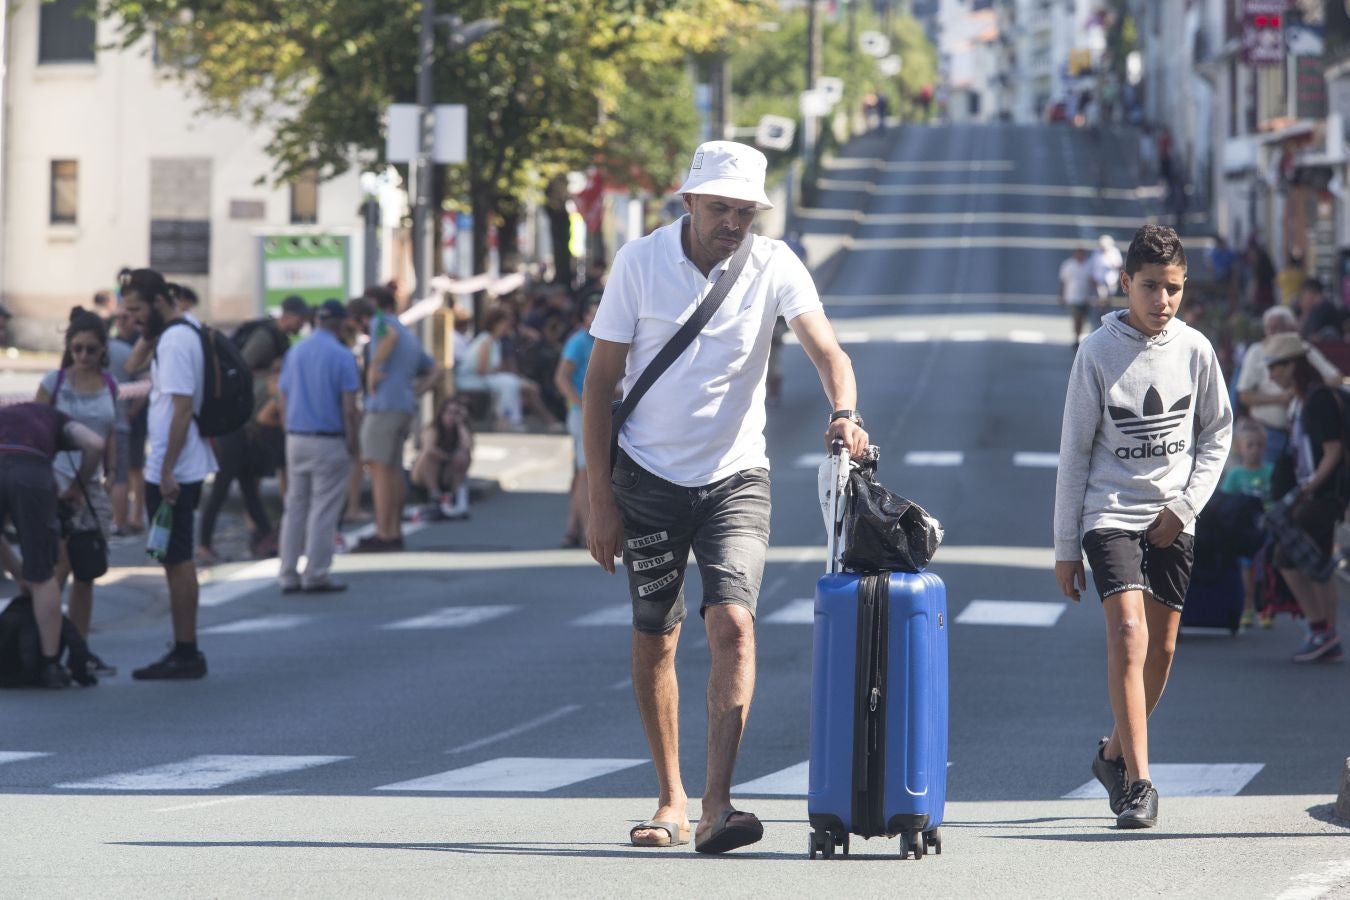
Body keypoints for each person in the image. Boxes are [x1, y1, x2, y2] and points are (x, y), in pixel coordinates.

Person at [582, 141, 869, 853]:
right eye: (720, 208)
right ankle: (670, 797)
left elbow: (829, 351)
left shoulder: (775, 265)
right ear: (688, 202)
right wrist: (599, 498)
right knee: (659, 633)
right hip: (645, 479)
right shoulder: (640, 264)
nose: (733, 223)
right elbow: (598, 385)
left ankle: (716, 804)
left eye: (745, 211)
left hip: (737, 476)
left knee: (734, 624)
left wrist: (844, 410)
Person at [1053, 224, 1233, 830]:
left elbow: (1216, 434)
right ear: (1126, 282)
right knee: (1128, 636)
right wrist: (1064, 547)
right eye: (1151, 287)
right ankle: (1139, 783)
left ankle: (1110, 754)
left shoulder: (1195, 350)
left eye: (1174, 289)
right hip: (1109, 515)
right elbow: (1075, 453)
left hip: (1173, 514)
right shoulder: (1096, 353)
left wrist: (1185, 508)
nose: (1162, 301)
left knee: (1163, 647)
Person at [120, 268, 218, 680]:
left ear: (160, 301)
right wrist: (150, 326)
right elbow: (131, 365)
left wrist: (165, 470)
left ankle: (186, 649)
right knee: (174, 558)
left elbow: (180, 408)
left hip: (174, 467)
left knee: (177, 560)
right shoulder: (180, 328)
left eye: (138, 310)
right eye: (127, 312)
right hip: (178, 463)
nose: (132, 320)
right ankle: (184, 646)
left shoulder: (177, 340)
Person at [35, 308, 118, 676]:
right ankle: (45, 644)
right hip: (56, 483)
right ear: (69, 348)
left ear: (103, 351)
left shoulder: (109, 385)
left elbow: (110, 431)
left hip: (91, 486)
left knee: (87, 569)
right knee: (59, 565)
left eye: (91, 349)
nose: (83, 356)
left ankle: (80, 647)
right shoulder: (54, 383)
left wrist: (110, 471)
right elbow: (33, 433)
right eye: (77, 348)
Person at [0, 403, 104, 688]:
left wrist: (17, 574)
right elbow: (95, 444)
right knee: (43, 575)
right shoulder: (58, 419)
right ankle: (49, 665)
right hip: (32, 474)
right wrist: (76, 486)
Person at [1263, 332, 1348, 663]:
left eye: (1276, 367)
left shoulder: (1317, 399)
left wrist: (1309, 488)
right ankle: (1326, 633)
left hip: (1323, 494)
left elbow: (1333, 451)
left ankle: (1321, 629)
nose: (1271, 375)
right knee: (1319, 562)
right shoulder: (1299, 401)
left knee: (1289, 557)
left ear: (1294, 365)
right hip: (1313, 492)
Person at [276, 300, 360, 593]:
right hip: (328, 437)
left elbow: (283, 395)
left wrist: (288, 429)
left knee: (295, 506)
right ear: (339, 323)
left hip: (296, 436)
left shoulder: (296, 351)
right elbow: (349, 407)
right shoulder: (342, 355)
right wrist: (353, 442)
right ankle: (316, 572)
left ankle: (287, 572)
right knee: (324, 508)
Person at [354, 287, 439, 552]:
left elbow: (386, 337)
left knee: (379, 471)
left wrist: (373, 368)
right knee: (392, 471)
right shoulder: (407, 333)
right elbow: (435, 369)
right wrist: (417, 391)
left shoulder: (381, 322)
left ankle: (384, 532)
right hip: (403, 405)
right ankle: (394, 531)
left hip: (383, 406)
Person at [1236, 306, 1341, 465]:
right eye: (1268, 328)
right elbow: (1244, 395)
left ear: (1291, 328)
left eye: (1277, 328)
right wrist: (1280, 398)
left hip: (1303, 432)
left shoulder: (1301, 350)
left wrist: (1301, 391)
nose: (1272, 333)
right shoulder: (1256, 351)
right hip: (1269, 432)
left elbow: (1335, 378)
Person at [553, 296, 599, 547]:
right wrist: (581, 406)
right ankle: (585, 530)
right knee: (586, 472)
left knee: (583, 471)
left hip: (598, 409)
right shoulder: (579, 341)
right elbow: (561, 378)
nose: (598, 317)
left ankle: (572, 529)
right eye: (593, 313)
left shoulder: (604, 338)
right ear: (585, 318)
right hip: (583, 412)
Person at [1220, 421, 1273, 628]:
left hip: (1267, 529)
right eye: (1250, 445)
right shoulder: (1235, 474)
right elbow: (1226, 501)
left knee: (1267, 570)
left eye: (1259, 445)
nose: (1255, 450)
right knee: (1246, 568)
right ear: (1240, 448)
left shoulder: (1270, 471)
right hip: (1245, 533)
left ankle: (1266, 608)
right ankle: (1248, 606)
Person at [106, 305, 141, 535]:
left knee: (124, 471)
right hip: (117, 421)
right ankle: (120, 520)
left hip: (116, 422)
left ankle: (124, 519)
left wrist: (133, 411)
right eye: (118, 317)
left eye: (125, 317)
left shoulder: (134, 345)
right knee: (119, 474)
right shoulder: (123, 349)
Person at [410, 397, 473, 521]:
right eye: (448, 412)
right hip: (426, 475)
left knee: (463, 456)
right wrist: (447, 457)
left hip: (448, 473)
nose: (451, 417)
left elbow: (467, 446)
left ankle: (454, 494)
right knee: (429, 457)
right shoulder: (433, 429)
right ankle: (435, 494)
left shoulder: (460, 431)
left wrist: (461, 424)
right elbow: (429, 449)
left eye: (455, 413)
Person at [1059, 246, 1096, 344]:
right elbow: (1063, 281)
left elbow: (1092, 280)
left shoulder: (1088, 265)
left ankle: (1079, 335)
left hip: (1085, 297)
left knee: (1083, 318)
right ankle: (1076, 337)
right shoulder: (1068, 265)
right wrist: (1062, 295)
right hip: (1072, 297)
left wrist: (1096, 292)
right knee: (1076, 317)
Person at [1297, 278, 1344, 342]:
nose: (1303, 298)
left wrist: (1306, 312)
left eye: (1304, 293)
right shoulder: (1315, 307)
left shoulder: (1323, 307)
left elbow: (1310, 335)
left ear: (1310, 292)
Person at [1091, 234, 1123, 319]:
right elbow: (1093, 267)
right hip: (1099, 281)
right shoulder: (1096, 253)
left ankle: (1108, 315)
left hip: (1111, 281)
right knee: (1101, 297)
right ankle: (1102, 314)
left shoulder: (1114, 252)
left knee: (1109, 299)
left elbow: (1119, 266)